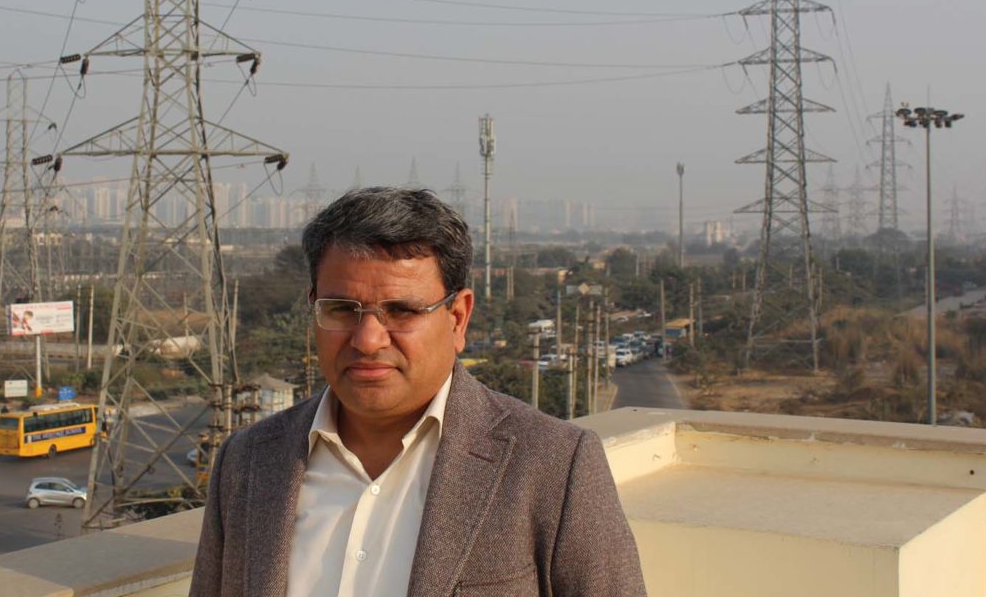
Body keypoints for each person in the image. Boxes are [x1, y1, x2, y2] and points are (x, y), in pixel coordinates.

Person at [190, 188, 645, 597]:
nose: (368, 339)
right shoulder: (250, 462)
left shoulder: (551, 466)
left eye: (402, 311)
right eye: (342, 309)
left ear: (457, 317)